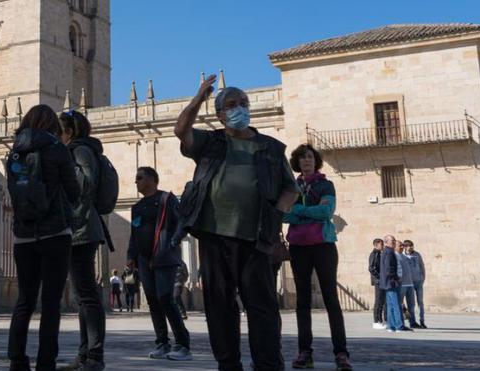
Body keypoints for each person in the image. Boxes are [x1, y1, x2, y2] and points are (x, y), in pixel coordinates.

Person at [173, 78, 298, 371]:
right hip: (214, 235)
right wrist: (198, 98)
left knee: (262, 306)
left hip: (256, 237)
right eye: (231, 105)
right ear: (219, 114)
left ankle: (268, 364)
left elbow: (290, 189)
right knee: (219, 305)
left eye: (243, 103)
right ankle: (228, 365)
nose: (239, 108)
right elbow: (181, 130)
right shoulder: (210, 141)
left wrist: (275, 211)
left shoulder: (270, 147)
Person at [6, 105, 80, 371]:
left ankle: (16, 359)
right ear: (52, 126)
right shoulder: (58, 150)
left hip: (23, 235)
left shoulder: (14, 152)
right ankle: (46, 363)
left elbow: (14, 194)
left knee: (24, 299)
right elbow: (73, 192)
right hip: (55, 233)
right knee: (50, 302)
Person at [284, 144, 351, 370]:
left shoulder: (326, 184)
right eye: (302, 158)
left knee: (331, 298)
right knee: (302, 301)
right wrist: (306, 212)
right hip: (298, 247)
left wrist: (299, 212)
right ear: (297, 162)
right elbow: (283, 214)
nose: (306, 161)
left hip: (323, 246)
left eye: (310, 157)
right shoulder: (291, 185)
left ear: (316, 160)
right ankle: (304, 351)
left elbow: (326, 212)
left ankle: (341, 352)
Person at [58, 109, 108, 371]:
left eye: (59, 130)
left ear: (69, 132)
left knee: (87, 294)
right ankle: (85, 353)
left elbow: (83, 185)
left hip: (81, 228)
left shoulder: (79, 151)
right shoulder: (81, 150)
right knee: (82, 294)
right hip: (79, 227)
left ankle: (94, 356)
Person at [127, 166, 192, 362]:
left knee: (166, 297)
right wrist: (131, 255)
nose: (136, 181)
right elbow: (134, 232)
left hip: (164, 257)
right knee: (153, 302)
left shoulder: (166, 199)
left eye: (140, 178)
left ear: (152, 180)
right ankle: (162, 343)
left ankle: (183, 344)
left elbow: (181, 221)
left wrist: (174, 241)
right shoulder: (137, 207)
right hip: (144, 260)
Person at [379, 235, 410, 333]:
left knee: (391, 305)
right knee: (396, 304)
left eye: (394, 240)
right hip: (391, 282)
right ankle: (398, 326)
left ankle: (391, 326)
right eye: (392, 240)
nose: (394, 242)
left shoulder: (387, 252)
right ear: (386, 242)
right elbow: (389, 268)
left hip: (388, 282)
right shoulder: (389, 253)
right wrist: (396, 279)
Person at [397, 240, 425, 328]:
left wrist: (423, 278)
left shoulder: (417, 254)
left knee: (418, 302)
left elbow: (422, 266)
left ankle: (420, 321)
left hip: (417, 282)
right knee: (403, 302)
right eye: (408, 246)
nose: (410, 247)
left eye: (411, 246)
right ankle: (405, 319)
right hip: (406, 283)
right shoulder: (401, 256)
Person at [368, 238, 385, 330]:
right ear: (376, 245)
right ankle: (376, 321)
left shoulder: (380, 254)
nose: (382, 246)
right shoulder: (374, 254)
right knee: (378, 301)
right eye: (381, 244)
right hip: (378, 281)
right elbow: (371, 268)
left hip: (381, 281)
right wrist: (379, 277)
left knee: (382, 301)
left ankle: (380, 320)